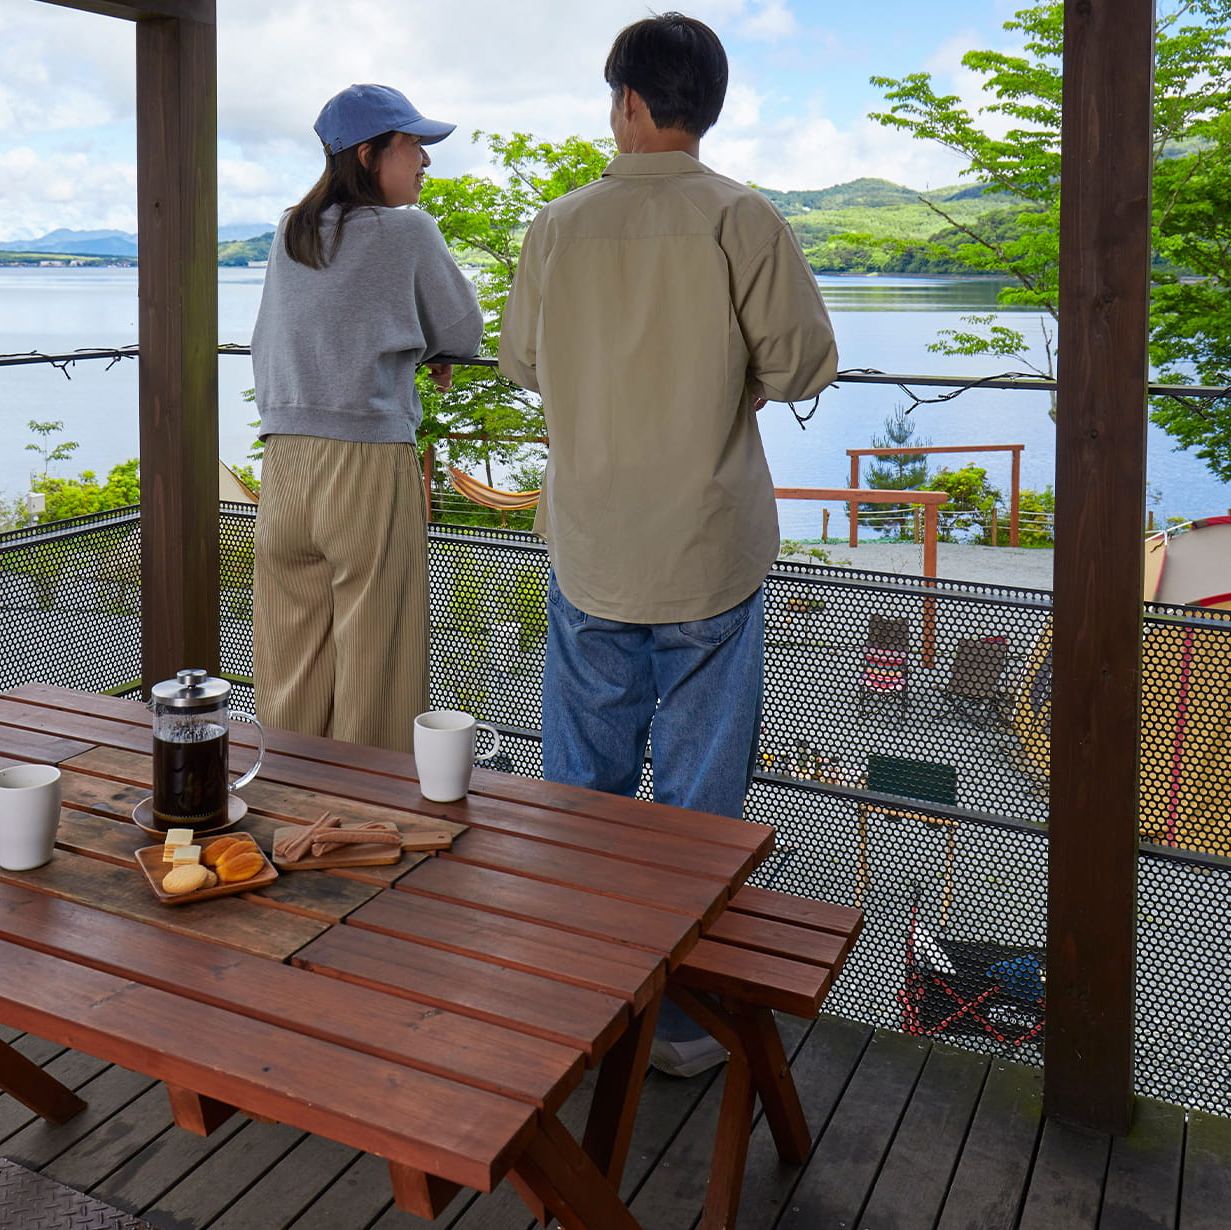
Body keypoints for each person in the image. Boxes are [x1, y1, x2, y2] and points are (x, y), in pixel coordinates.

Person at [499, 14, 840, 1075]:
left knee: (581, 781)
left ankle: (583, 996)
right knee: (697, 796)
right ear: (705, 106)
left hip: (593, 539)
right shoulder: (742, 219)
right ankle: (683, 1022)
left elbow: (520, 361)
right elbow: (801, 368)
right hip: (705, 545)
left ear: (631, 104)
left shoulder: (556, 226)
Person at [250, 84, 483, 755]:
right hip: (365, 461)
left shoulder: (291, 228)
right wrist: (432, 351)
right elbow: (462, 329)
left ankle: (291, 801)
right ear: (368, 152)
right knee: (375, 664)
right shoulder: (408, 229)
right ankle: (363, 826)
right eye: (413, 147)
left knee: (293, 664)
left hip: (285, 460)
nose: (424, 163)